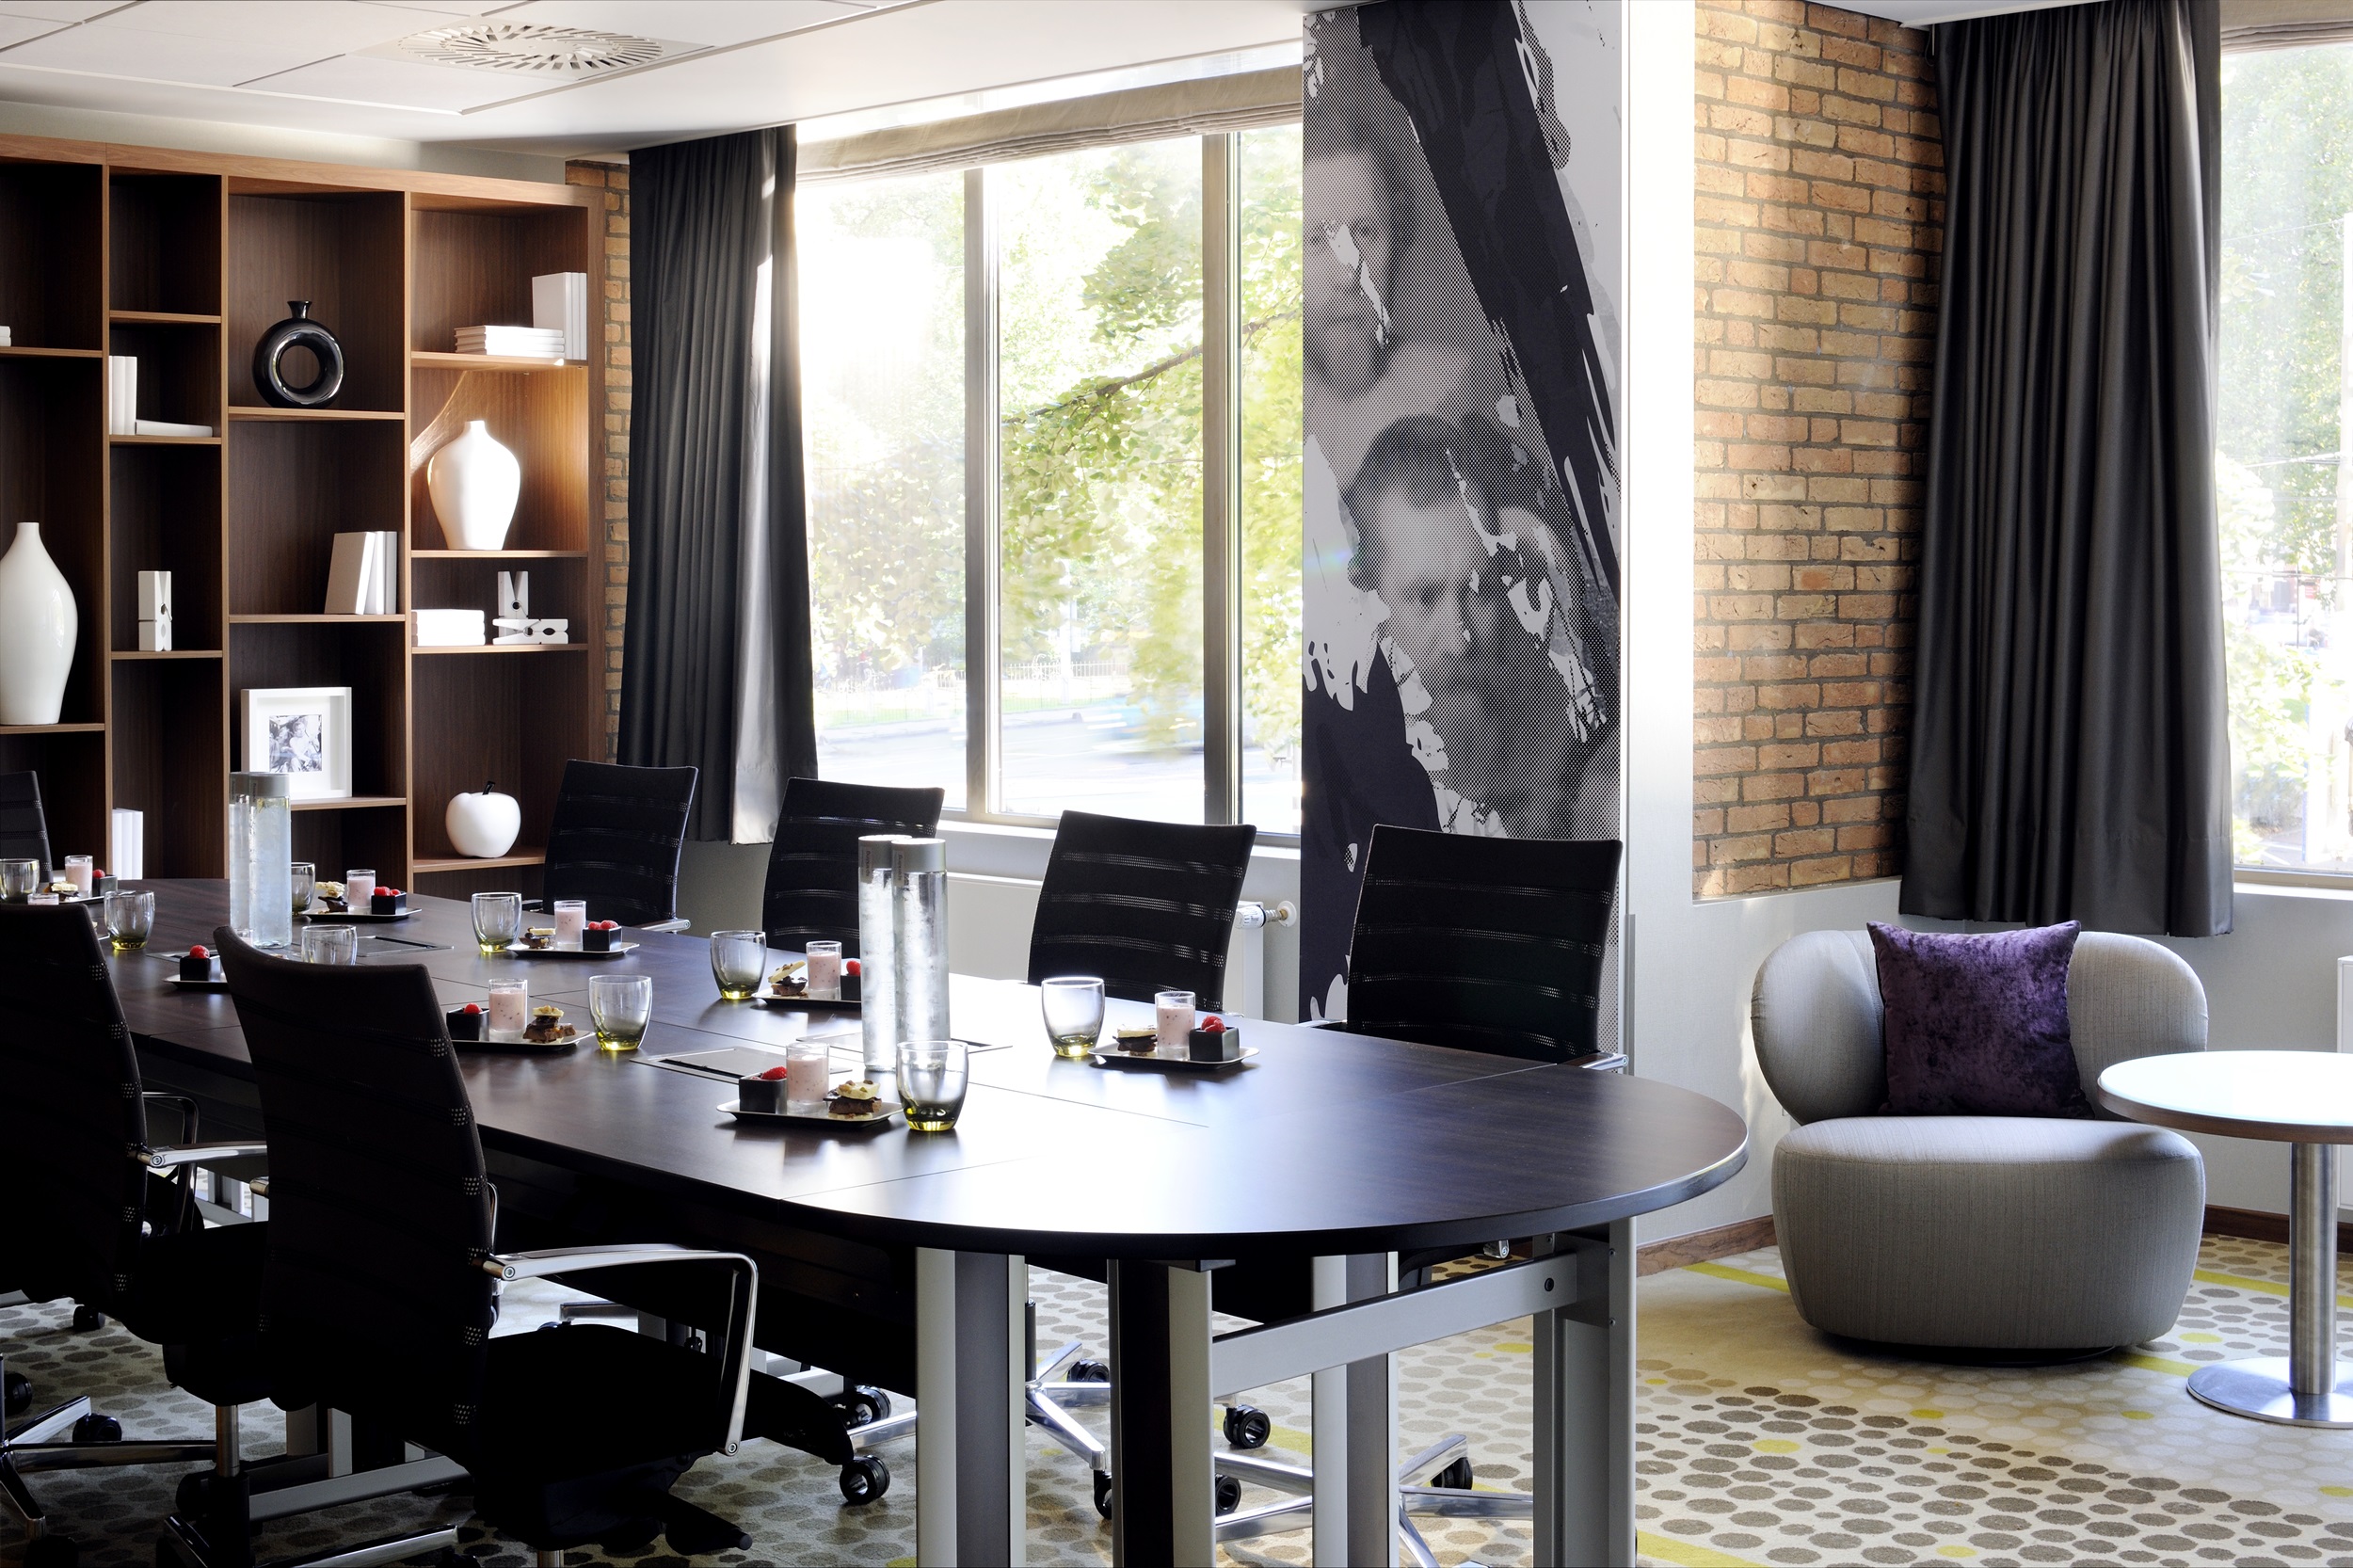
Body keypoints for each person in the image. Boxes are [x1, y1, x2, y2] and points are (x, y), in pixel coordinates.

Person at [1341, 413, 1610, 840]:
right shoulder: (1347, 778)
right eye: (1424, 598)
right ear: (1367, 603)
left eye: (1480, 591)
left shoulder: (1574, 771)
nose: (1460, 636)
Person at [1305, 114, 1479, 486]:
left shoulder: (1448, 390)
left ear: (1396, 238)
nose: (1347, 275)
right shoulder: (1253, 420)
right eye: (1316, 242)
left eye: (1365, 232)